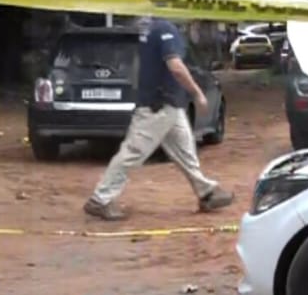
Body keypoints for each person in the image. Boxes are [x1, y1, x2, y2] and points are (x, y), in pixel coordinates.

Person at [84, 17, 235, 221]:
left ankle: (206, 193)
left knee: (186, 152)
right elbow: (175, 66)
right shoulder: (165, 29)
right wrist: (198, 93)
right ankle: (100, 199)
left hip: (170, 105)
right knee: (132, 152)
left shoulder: (153, 28)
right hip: (159, 106)